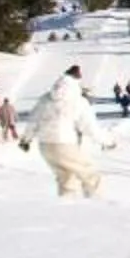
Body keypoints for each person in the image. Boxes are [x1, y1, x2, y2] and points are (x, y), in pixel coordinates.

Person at [27, 65, 106, 198]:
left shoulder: (45, 98)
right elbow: (89, 127)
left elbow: (34, 119)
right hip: (63, 143)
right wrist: (106, 141)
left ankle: (67, 207)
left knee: (66, 177)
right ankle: (97, 205)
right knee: (90, 174)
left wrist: (26, 139)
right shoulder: (77, 100)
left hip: (45, 145)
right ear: (77, 81)